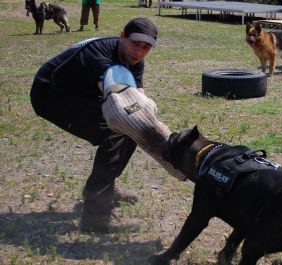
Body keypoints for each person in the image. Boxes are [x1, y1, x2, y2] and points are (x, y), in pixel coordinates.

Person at [30, 17, 186, 233]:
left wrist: (160, 132)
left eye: (146, 47)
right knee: (117, 133)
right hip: (51, 93)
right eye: (135, 44)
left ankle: (104, 189)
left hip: (79, 94)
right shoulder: (99, 54)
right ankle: (96, 218)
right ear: (122, 36)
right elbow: (119, 103)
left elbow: (138, 102)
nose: (140, 52)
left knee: (131, 131)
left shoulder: (135, 61)